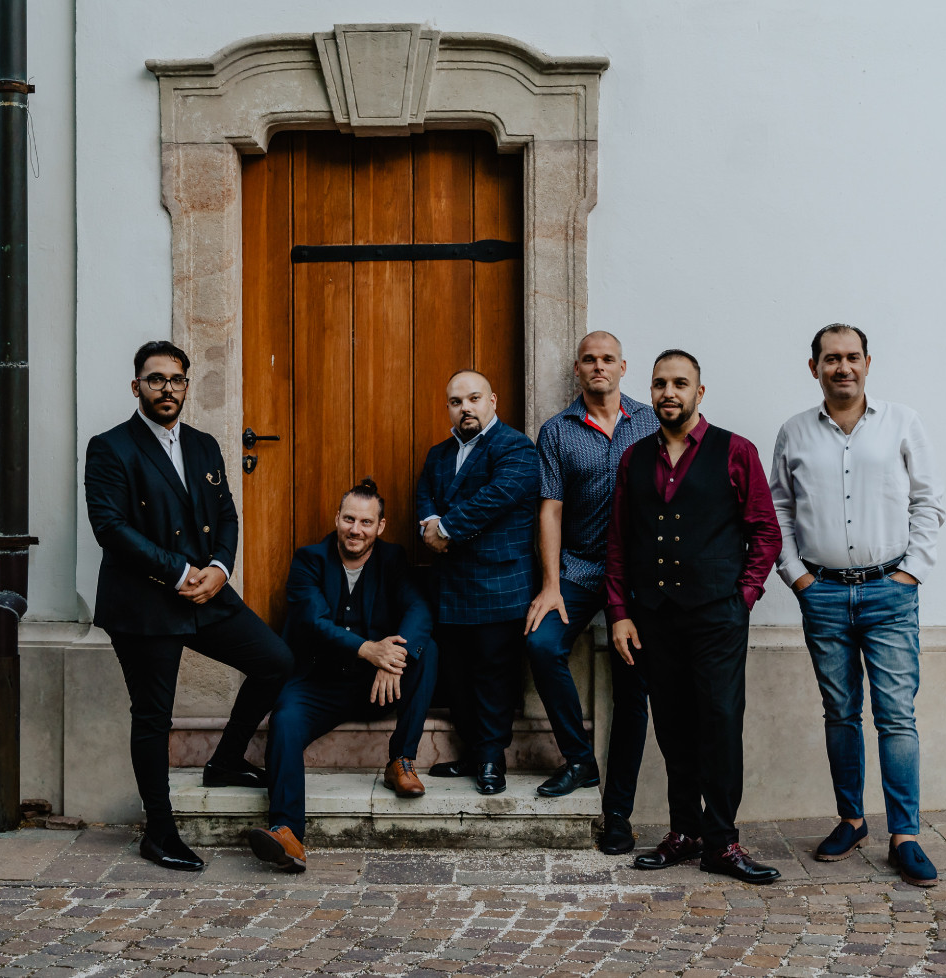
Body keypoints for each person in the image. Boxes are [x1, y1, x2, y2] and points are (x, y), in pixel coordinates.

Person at [85, 340, 294, 872]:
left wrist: (220, 568)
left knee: (275, 661)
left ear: (185, 385)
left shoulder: (202, 444)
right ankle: (158, 832)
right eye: (156, 379)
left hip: (206, 591)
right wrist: (178, 572)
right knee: (153, 716)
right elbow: (111, 528)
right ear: (136, 386)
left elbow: (226, 514)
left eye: (176, 379)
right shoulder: (109, 448)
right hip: (144, 602)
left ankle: (225, 762)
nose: (167, 389)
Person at [769, 323, 945, 887]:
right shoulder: (794, 432)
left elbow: (928, 501)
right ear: (814, 367)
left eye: (851, 357)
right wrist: (797, 577)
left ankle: (905, 835)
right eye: (831, 358)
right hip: (822, 594)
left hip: (889, 593)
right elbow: (778, 509)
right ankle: (851, 820)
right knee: (840, 713)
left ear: (868, 362)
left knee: (896, 716)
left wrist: (911, 573)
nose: (842, 367)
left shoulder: (902, 422)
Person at [605, 349, 783, 883]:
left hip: (717, 616)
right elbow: (619, 541)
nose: (669, 393)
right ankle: (684, 832)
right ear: (650, 391)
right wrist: (619, 612)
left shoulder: (736, 450)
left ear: (698, 393)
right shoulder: (634, 458)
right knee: (672, 724)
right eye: (660, 383)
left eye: (680, 383)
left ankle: (722, 841)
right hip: (654, 617)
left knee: (720, 724)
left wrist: (743, 596)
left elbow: (766, 531)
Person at [249, 479, 437, 873]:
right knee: (284, 720)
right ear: (337, 518)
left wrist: (393, 658)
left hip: (376, 687)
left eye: (366, 522)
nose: (356, 529)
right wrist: (369, 649)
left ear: (380, 526)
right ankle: (287, 832)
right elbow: (313, 622)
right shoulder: (309, 560)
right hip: (320, 683)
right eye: (349, 519)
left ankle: (401, 760)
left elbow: (418, 606)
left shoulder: (392, 558)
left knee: (426, 650)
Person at [524, 331, 657, 853]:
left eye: (607, 359)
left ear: (623, 367)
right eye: (588, 359)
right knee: (541, 644)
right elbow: (550, 509)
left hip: (636, 577)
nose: (598, 366)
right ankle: (580, 760)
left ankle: (618, 813)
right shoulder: (557, 431)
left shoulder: (651, 421)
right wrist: (550, 585)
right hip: (579, 569)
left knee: (633, 691)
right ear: (577, 369)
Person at [416, 369, 540, 795]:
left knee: (492, 675)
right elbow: (424, 494)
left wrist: (445, 529)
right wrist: (429, 522)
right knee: (458, 676)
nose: (465, 408)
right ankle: (471, 753)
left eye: (473, 398)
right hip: (451, 585)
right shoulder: (438, 454)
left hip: (499, 583)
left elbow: (497, 497)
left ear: (493, 400)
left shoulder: (516, 447)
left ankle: (491, 760)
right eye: (456, 402)